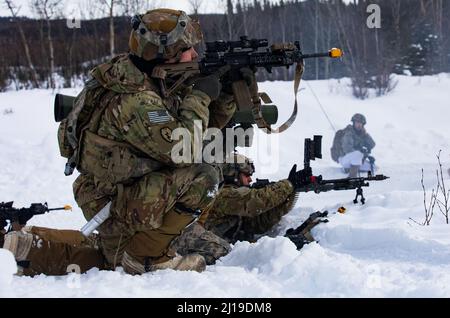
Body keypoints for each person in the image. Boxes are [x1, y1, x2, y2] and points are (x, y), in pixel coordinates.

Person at [2, 9, 239, 276]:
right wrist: (199, 98)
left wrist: (226, 93)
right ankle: (145, 256)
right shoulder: (138, 100)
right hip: (115, 202)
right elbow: (185, 149)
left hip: (110, 194)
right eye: (187, 49)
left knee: (102, 254)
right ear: (165, 54)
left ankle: (19, 244)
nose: (194, 55)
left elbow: (202, 129)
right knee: (205, 173)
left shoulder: (131, 73)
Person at [171, 153, 321, 264]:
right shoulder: (223, 194)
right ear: (233, 174)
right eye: (246, 174)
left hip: (201, 239)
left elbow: (258, 224)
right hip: (183, 240)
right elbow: (255, 201)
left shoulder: (237, 197)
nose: (250, 179)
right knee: (227, 254)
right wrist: (288, 185)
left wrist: (289, 194)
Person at [331, 113, 376, 178]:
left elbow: (372, 144)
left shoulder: (362, 133)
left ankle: (348, 169)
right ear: (353, 123)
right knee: (358, 154)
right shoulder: (348, 133)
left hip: (355, 160)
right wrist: (361, 153)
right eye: (357, 122)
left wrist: (365, 134)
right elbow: (347, 149)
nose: (359, 124)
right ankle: (352, 177)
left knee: (373, 167)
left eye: (361, 123)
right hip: (344, 158)